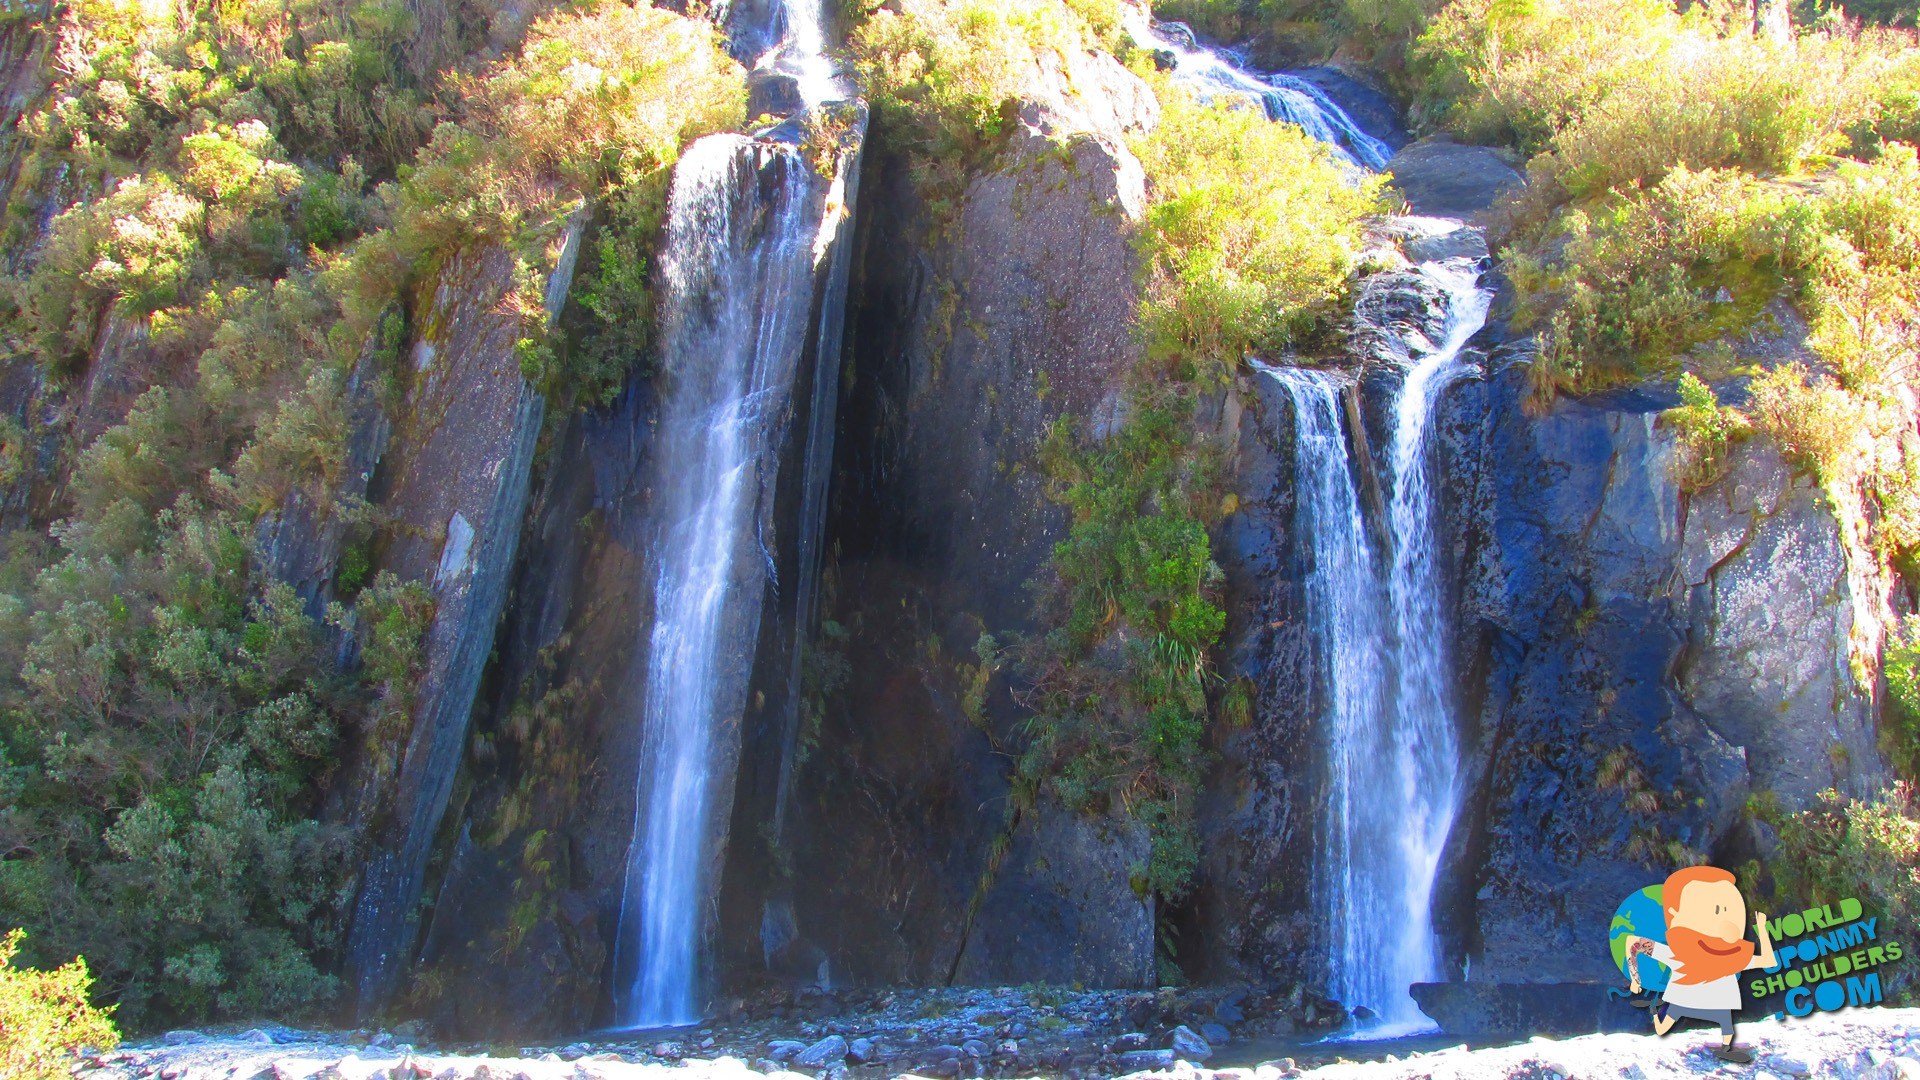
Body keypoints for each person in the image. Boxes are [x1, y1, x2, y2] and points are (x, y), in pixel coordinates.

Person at [1617, 865, 1777, 1064]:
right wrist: (1635, 977)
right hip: (1683, 1001)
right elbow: (1633, 942)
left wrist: (1762, 929)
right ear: (1675, 917)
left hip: (1714, 1004)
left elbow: (1769, 961)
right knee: (1662, 1027)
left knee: (1725, 1022)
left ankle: (1726, 1048)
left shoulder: (1733, 957)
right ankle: (1656, 1011)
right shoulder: (1679, 954)